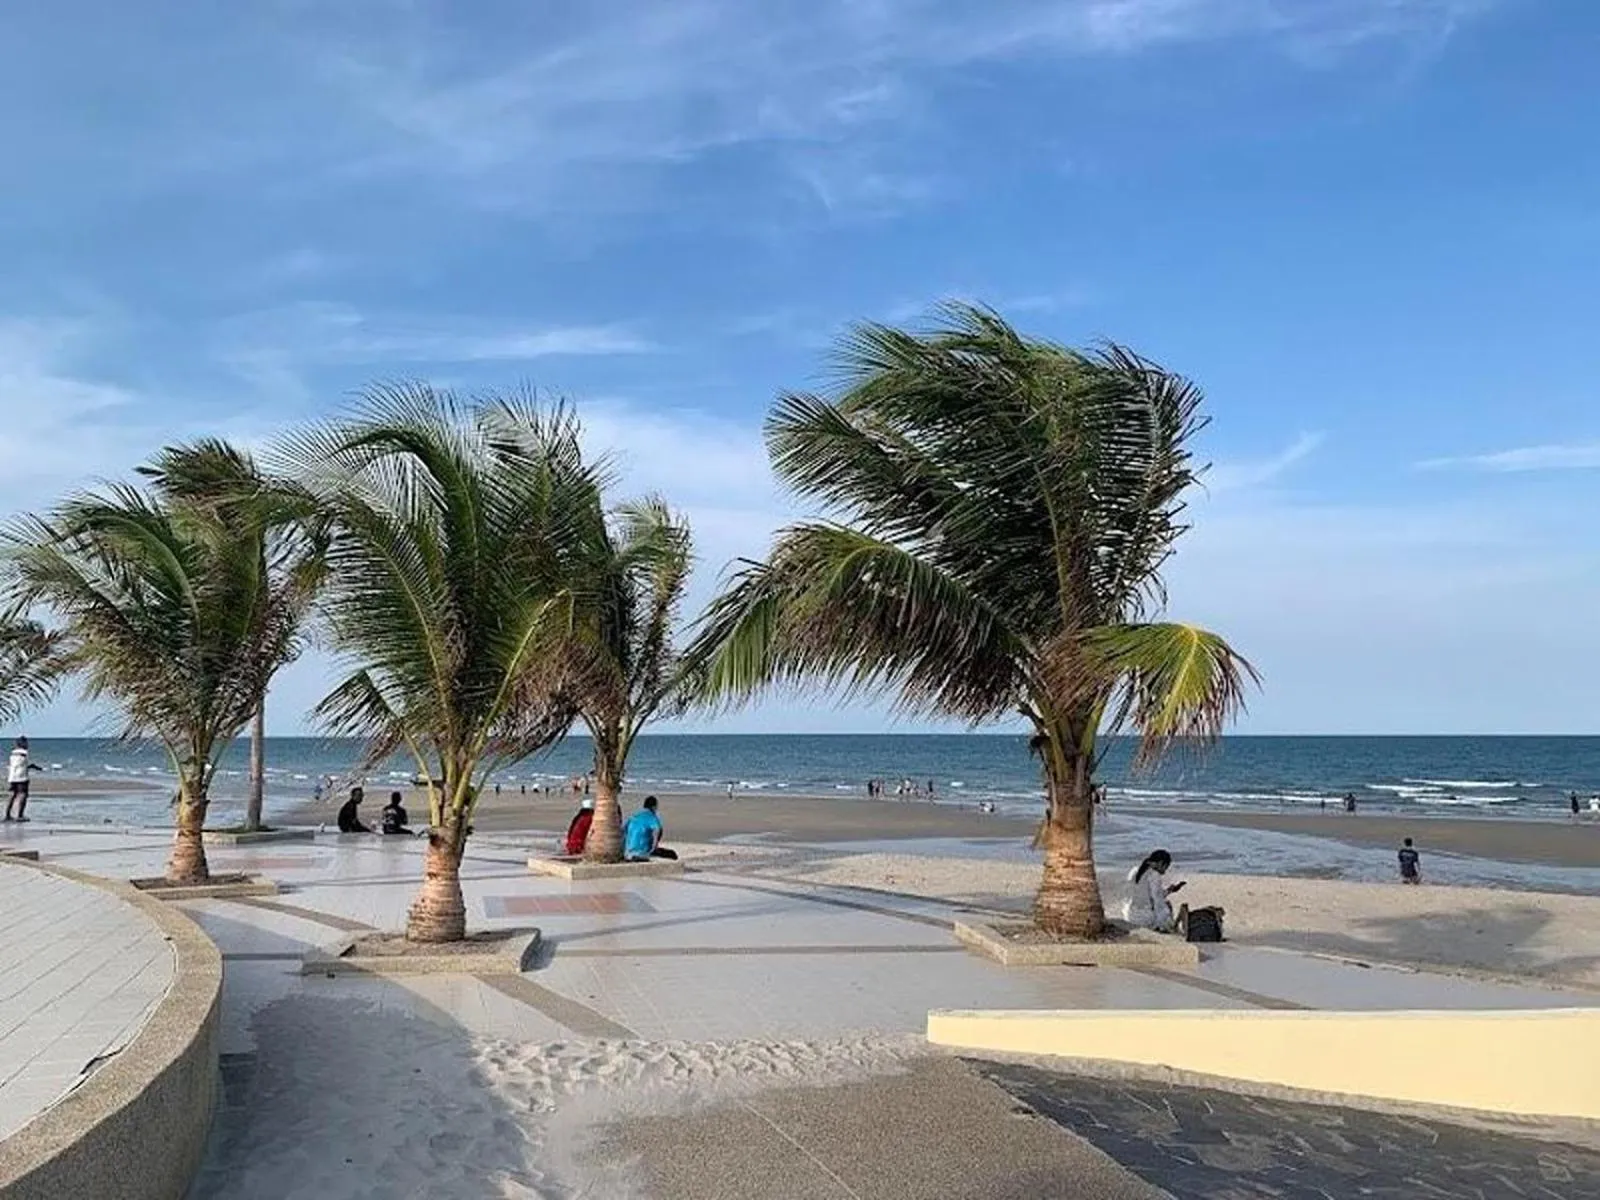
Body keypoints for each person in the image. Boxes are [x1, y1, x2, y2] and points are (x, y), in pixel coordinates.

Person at [1122, 849, 1186, 932]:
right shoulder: (1154, 875)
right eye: (1165, 867)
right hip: (1143, 919)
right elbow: (1157, 901)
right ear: (1160, 863)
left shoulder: (1134, 870)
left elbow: (1142, 893)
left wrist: (1169, 891)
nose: (1165, 871)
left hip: (1129, 915)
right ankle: (1169, 928)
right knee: (1167, 905)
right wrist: (1165, 921)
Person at [622, 795, 677, 861]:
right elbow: (657, 830)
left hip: (627, 853)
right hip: (640, 853)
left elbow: (623, 830)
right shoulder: (652, 817)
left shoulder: (634, 816)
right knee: (672, 854)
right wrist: (654, 847)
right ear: (654, 807)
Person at [5, 736, 43, 822]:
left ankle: (7, 814)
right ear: (23, 743)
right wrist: (34, 767)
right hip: (22, 777)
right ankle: (20, 815)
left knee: (12, 795)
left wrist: (29, 766)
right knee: (23, 794)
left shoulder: (13, 754)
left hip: (12, 776)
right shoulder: (24, 753)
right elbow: (25, 764)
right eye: (26, 743)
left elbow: (18, 764)